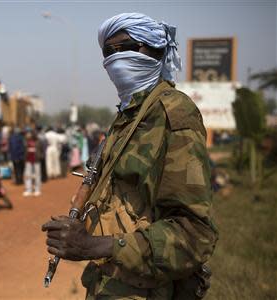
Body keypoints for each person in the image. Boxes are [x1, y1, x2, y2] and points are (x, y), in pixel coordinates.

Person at [42, 13, 218, 299]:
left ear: (156, 51)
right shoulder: (129, 116)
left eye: (127, 47)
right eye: (109, 52)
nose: (116, 58)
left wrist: (95, 246)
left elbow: (194, 235)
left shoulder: (172, 113)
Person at [23, 131, 42, 197]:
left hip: (36, 160)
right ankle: (28, 189)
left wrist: (40, 156)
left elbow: (41, 149)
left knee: (37, 175)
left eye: (29, 134)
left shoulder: (38, 141)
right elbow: (24, 150)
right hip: (28, 160)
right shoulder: (26, 142)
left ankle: (37, 189)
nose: (28, 135)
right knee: (28, 175)